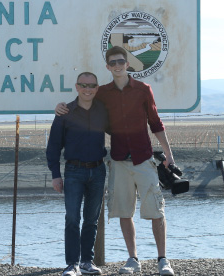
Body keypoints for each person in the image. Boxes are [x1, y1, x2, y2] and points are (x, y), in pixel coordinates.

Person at [55, 46, 175, 276]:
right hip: (118, 159)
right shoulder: (103, 93)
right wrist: (61, 107)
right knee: (123, 211)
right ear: (108, 67)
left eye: (122, 61)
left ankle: (163, 260)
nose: (118, 65)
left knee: (156, 212)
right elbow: (83, 99)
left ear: (127, 64)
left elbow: (156, 123)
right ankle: (133, 259)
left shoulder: (143, 90)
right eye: (113, 62)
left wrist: (168, 153)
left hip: (144, 158)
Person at [46, 72, 108, 276]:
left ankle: (86, 262)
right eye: (83, 85)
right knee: (72, 218)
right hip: (73, 171)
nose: (87, 89)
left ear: (97, 88)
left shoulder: (103, 110)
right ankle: (72, 264)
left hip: (98, 170)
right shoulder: (65, 112)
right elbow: (53, 147)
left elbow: (120, 129)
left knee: (92, 218)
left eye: (91, 86)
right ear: (76, 87)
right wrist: (56, 174)